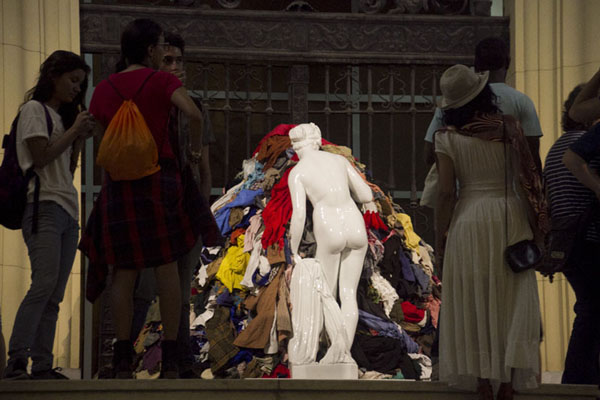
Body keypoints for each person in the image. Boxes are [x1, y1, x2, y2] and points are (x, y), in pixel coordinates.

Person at [79, 19, 216, 379]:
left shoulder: (104, 88)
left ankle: (122, 356)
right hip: (158, 181)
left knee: (123, 272)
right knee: (166, 266)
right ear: (151, 49)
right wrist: (194, 151)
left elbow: (103, 136)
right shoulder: (161, 82)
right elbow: (193, 113)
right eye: (160, 47)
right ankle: (171, 356)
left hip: (119, 186)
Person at [434, 65, 545, 400]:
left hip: (468, 218)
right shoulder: (509, 128)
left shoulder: (446, 136)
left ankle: (482, 381)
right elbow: (528, 177)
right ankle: (508, 382)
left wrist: (441, 236)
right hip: (508, 214)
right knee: (511, 296)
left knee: (474, 296)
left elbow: (446, 193)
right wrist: (538, 226)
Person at [128, 32, 218, 378]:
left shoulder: (194, 106)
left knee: (181, 287)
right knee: (143, 286)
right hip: (150, 202)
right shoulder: (146, 102)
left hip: (185, 203)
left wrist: (202, 206)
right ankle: (125, 357)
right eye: (168, 60)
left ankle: (179, 359)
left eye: (180, 60)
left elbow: (204, 165)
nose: (176, 67)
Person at [3, 51, 95, 380]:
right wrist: (73, 131)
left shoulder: (61, 118)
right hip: (41, 206)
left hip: (67, 209)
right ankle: (17, 359)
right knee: (42, 284)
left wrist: (79, 137)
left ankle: (42, 364)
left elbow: (65, 170)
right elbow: (40, 157)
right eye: (73, 80)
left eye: (81, 84)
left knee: (55, 294)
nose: (76, 88)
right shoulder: (33, 110)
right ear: (53, 76)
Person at [288, 122, 374, 359]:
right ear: (318, 141)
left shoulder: (298, 172)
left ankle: (331, 352)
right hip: (354, 223)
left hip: (328, 225)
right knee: (348, 294)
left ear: (295, 147)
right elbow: (366, 194)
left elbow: (299, 215)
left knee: (327, 294)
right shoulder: (339, 161)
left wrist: (293, 250)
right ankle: (343, 353)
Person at [544, 84, 600, 385]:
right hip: (589, 236)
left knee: (589, 306)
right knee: (592, 309)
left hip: (566, 242)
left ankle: (583, 377)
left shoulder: (556, 147)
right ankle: (578, 379)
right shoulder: (584, 145)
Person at [424, 37, 543, 171]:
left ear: (476, 64)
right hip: (507, 181)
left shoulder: (453, 101)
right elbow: (532, 155)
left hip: (461, 181)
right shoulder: (522, 101)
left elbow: (429, 153)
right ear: (508, 62)